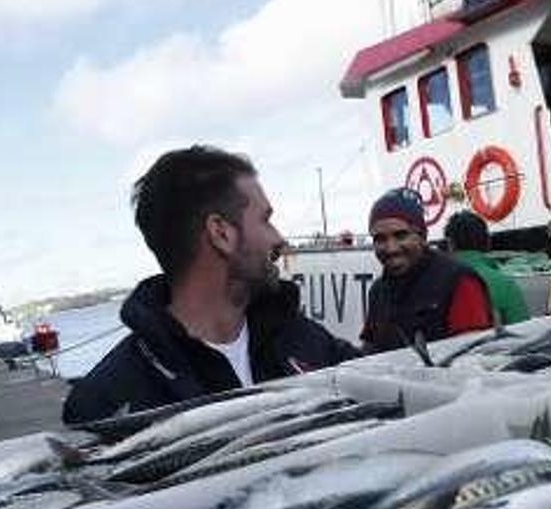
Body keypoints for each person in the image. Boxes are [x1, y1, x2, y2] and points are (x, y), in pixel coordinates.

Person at [62, 146, 360, 424]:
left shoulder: (305, 339)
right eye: (266, 220)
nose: (279, 239)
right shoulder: (107, 403)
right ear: (221, 234)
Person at [361, 188, 493, 354]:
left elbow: (473, 357)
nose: (391, 248)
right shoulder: (378, 291)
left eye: (401, 235)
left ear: (422, 236)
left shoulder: (459, 281)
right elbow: (369, 354)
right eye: (380, 239)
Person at [444, 210, 531, 325]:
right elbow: (524, 333)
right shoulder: (504, 284)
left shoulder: (435, 284)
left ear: (450, 244)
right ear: (487, 242)